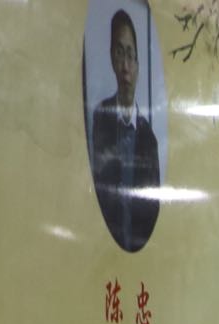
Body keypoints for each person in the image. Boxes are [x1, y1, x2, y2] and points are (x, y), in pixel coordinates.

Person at [89, 9, 161, 252]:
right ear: (112, 58)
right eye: (120, 53)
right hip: (102, 249)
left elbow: (154, 207)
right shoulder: (101, 117)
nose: (126, 67)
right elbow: (97, 188)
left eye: (131, 55)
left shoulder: (149, 139)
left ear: (138, 65)